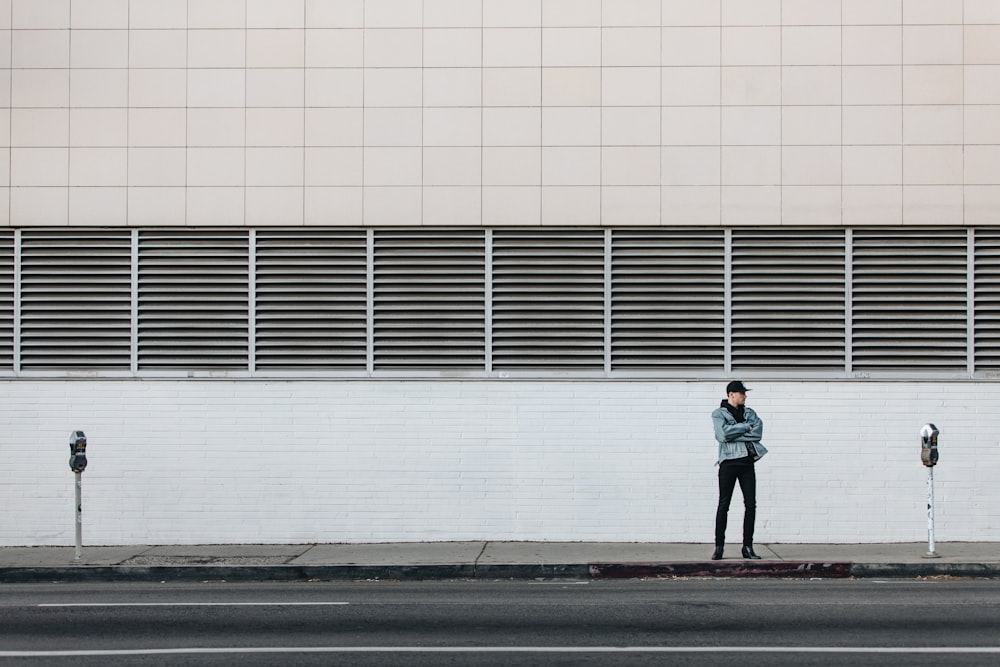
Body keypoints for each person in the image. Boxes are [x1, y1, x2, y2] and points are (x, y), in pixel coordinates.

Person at [710, 380, 767, 560]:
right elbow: (722, 435)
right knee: (723, 505)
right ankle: (719, 547)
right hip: (728, 463)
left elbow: (757, 433)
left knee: (751, 505)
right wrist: (744, 427)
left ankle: (747, 547)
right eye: (742, 393)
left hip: (747, 463)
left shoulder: (750, 412)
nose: (745, 396)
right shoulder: (718, 414)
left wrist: (734, 431)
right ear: (731, 394)